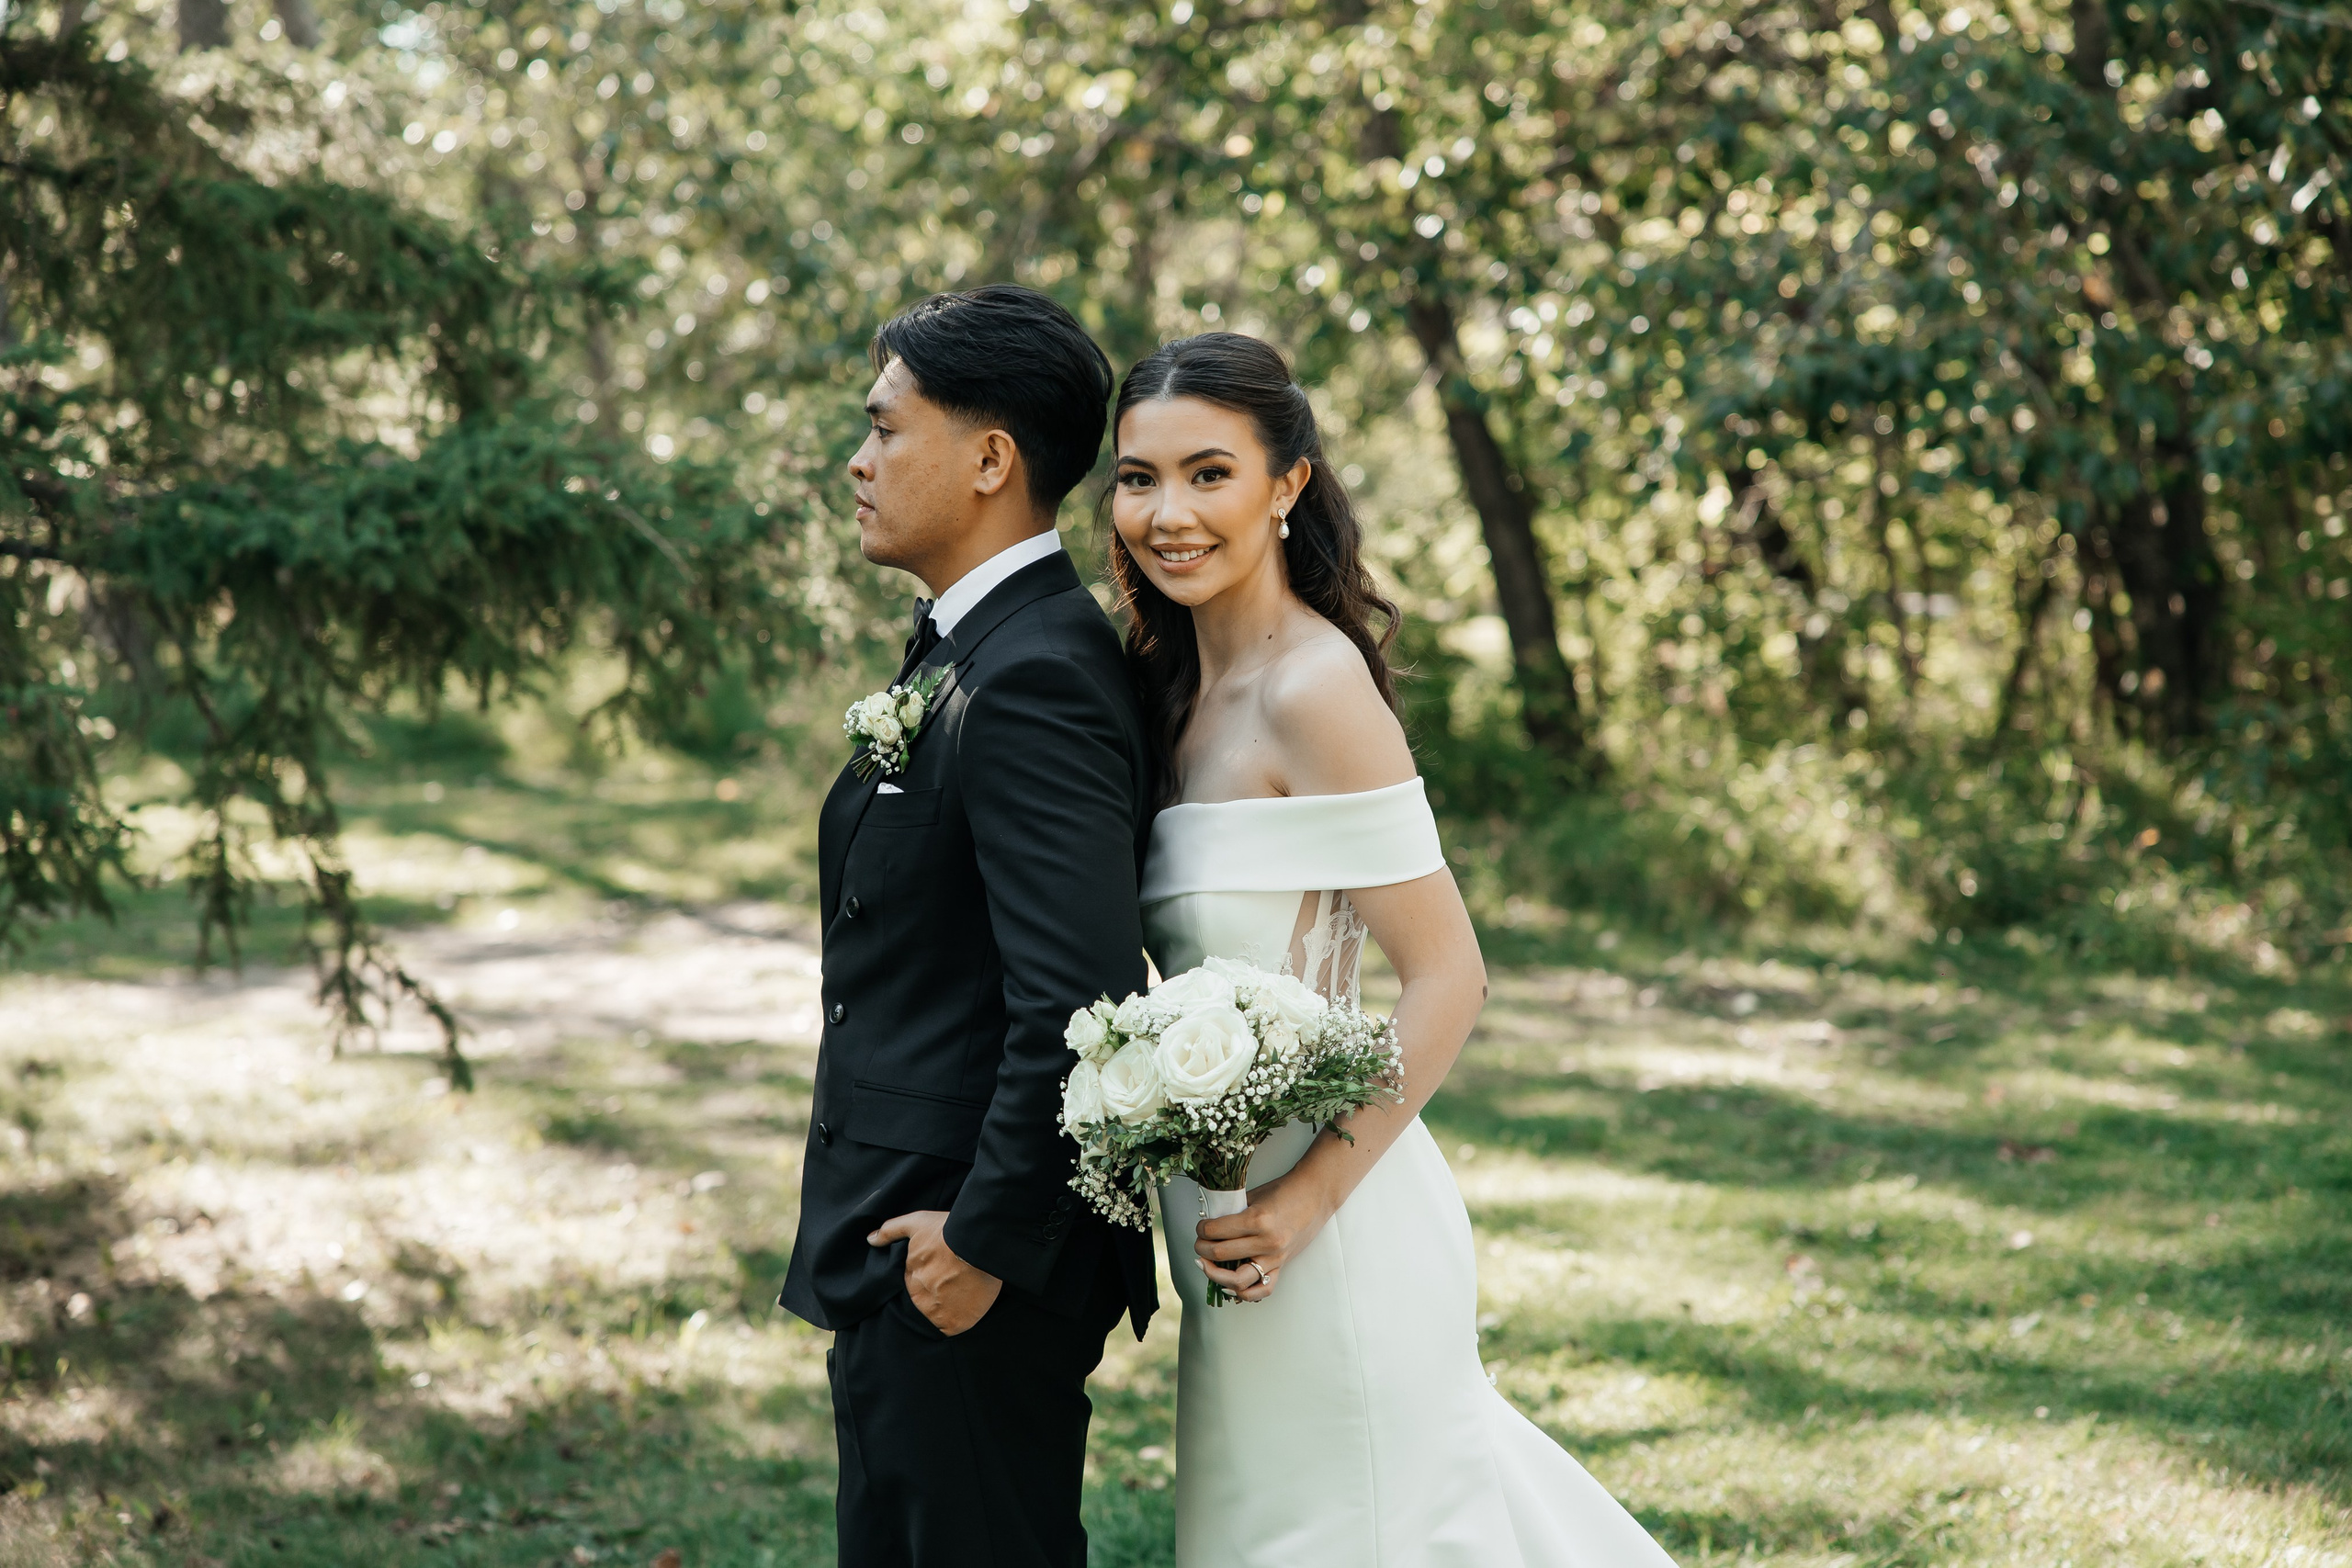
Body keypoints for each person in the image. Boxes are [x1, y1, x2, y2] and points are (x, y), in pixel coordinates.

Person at [1107, 332, 1679, 1567]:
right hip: (1223, 1215)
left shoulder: (1315, 689)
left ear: (1288, 485)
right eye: (1137, 477)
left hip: (1338, 1221)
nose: (1168, 513)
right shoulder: (1168, 687)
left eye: (1210, 474)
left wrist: (1306, 1200)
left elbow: (1451, 974)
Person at [778, 285, 1158, 1568]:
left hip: (965, 1266)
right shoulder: (969, 645)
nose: (859, 457)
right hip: (905, 1242)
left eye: (887, 428)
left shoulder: (1035, 670)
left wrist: (984, 1242)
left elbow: (1079, 1002)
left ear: (992, 459)